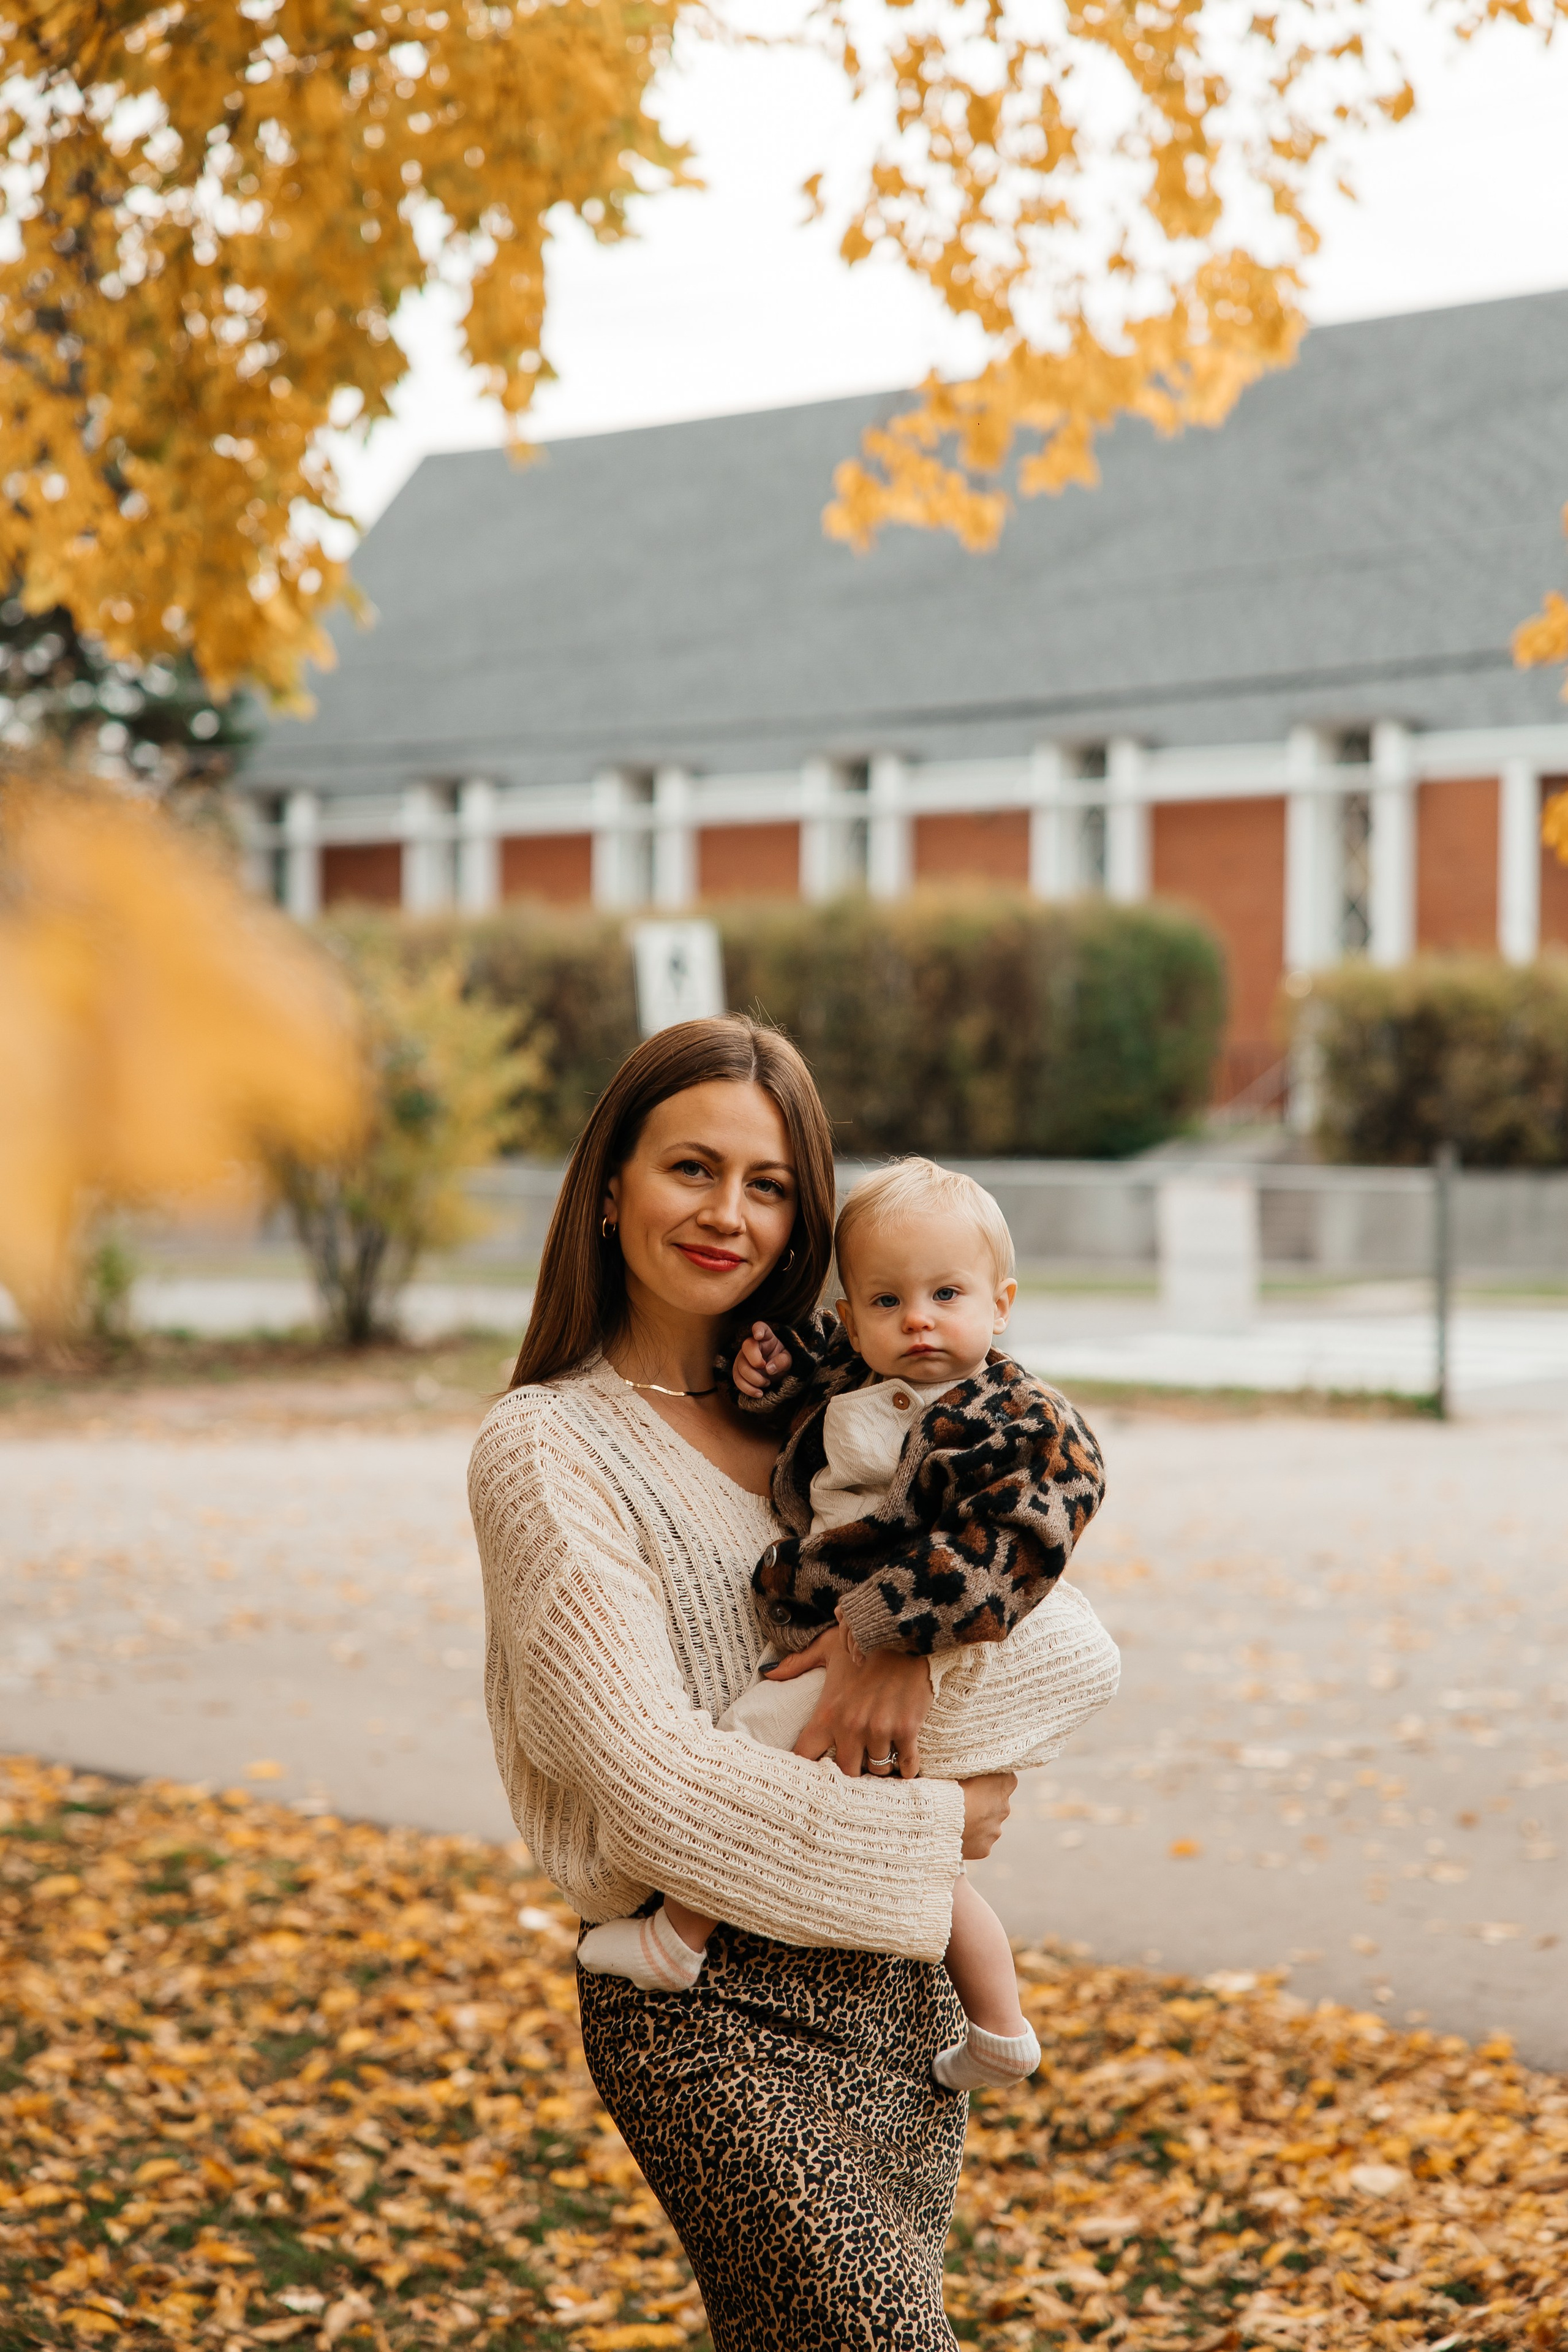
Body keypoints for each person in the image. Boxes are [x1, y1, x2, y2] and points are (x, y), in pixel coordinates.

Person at [470, 1017, 1120, 2352]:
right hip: (709, 2010)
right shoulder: (547, 1447)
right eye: (689, 1169)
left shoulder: (834, 1413)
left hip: (895, 1987)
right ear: (608, 1188)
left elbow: (1071, 1652)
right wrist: (946, 1816)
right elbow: (653, 1798)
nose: (727, 1214)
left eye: (766, 1186)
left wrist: (894, 1647)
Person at [578, 1156, 1107, 2097]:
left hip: (926, 1640)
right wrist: (769, 1375)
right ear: (853, 1312)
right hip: (860, 1637)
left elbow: (1021, 1544)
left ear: (1002, 1302)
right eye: (885, 1299)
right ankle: (1000, 2029)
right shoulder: (857, 1373)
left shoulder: (1017, 1418)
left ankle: (679, 1936)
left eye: (947, 1294)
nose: (918, 1320)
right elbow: (812, 1414)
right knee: (929, 1865)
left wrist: (880, 1627)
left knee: (756, 1741)